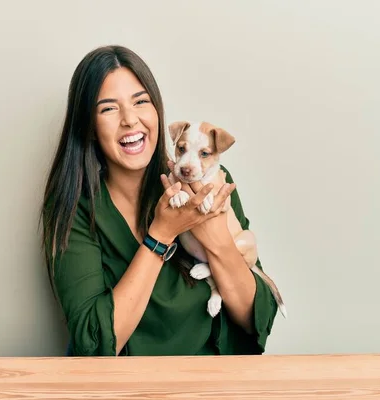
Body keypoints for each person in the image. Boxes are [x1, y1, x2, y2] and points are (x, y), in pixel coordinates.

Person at [40, 45, 278, 356]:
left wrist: (214, 235)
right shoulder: (77, 210)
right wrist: (160, 235)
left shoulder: (209, 183)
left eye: (140, 102)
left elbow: (257, 318)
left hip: (216, 383)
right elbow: (94, 344)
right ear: (89, 128)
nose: (130, 120)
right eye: (108, 108)